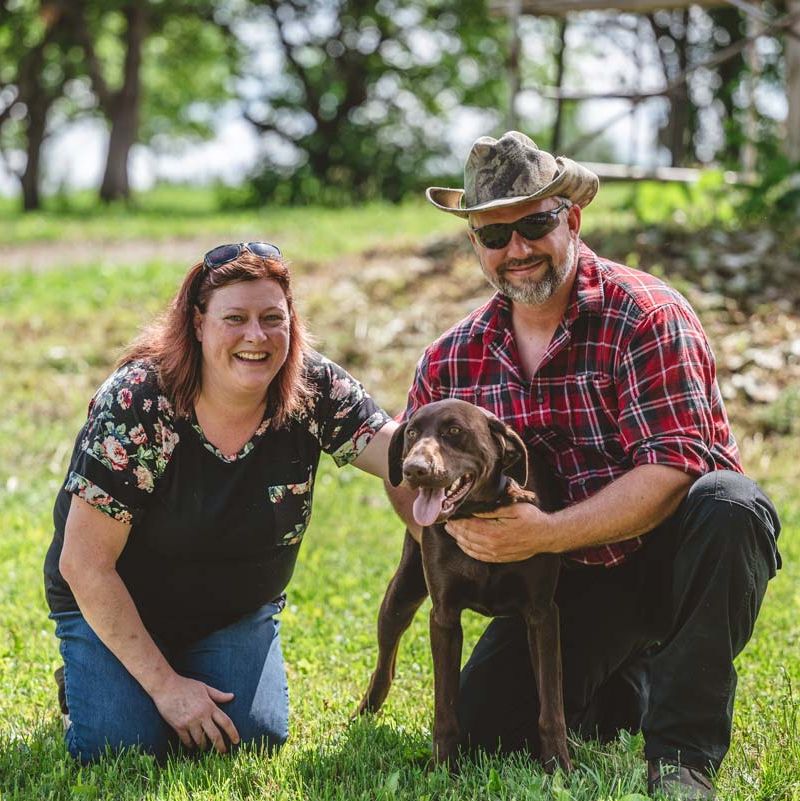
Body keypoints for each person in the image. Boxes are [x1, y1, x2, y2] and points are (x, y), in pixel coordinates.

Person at [396, 132, 781, 799]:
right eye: (495, 235)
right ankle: (628, 674)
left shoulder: (648, 316)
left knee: (732, 505)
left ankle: (682, 754)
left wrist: (542, 531)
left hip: (670, 561)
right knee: (492, 725)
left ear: (571, 218)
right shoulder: (449, 361)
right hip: (563, 587)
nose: (516, 249)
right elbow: (411, 479)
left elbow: (672, 469)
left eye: (535, 224)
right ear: (476, 247)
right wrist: (454, 523)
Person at [44, 242, 397, 763]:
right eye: (235, 318)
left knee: (251, 739)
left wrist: (462, 460)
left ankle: (168, 671)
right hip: (119, 602)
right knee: (122, 747)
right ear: (198, 322)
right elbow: (84, 563)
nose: (256, 336)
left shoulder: (313, 387)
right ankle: (93, 678)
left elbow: (400, 455)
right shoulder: (141, 402)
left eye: (272, 318)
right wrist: (167, 688)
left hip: (232, 611)